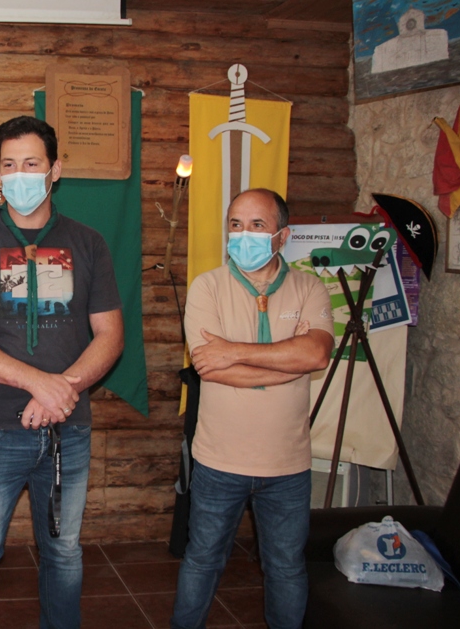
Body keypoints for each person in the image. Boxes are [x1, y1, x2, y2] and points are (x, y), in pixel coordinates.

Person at [0, 115, 125, 629]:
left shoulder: (89, 243)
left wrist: (59, 393)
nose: (18, 175)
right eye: (8, 165)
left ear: (54, 170)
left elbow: (110, 336)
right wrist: (37, 383)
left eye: (31, 163)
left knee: (64, 552)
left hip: (69, 429)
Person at [170, 189, 335, 629]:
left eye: (257, 225)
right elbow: (209, 367)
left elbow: (316, 354)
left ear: (283, 236)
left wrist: (234, 351)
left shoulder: (310, 288)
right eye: (236, 225)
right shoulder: (207, 287)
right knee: (202, 560)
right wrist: (287, 363)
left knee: (286, 567)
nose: (244, 235)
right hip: (219, 460)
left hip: (288, 464)